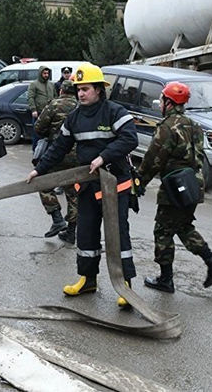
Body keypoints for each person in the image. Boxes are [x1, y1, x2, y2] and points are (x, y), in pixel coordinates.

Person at [26, 63, 138, 308]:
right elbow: (59, 147)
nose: (81, 93)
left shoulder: (114, 112)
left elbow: (130, 138)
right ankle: (88, 280)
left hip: (114, 187)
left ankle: (125, 285)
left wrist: (103, 157)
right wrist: (39, 170)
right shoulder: (75, 117)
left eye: (85, 89)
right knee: (86, 233)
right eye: (78, 89)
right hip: (87, 187)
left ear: (99, 89)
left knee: (118, 235)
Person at [136, 82, 212, 293]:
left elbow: (154, 159)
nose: (160, 103)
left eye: (162, 100)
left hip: (175, 187)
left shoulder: (168, 127)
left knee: (163, 230)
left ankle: (166, 279)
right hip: (194, 183)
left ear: (169, 103)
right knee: (183, 226)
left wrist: (140, 182)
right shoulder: (194, 125)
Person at [33, 79, 79, 243]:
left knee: (43, 183)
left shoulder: (54, 105)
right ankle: (71, 232)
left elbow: (38, 128)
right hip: (78, 155)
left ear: (61, 91)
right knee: (73, 192)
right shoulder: (81, 106)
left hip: (57, 153)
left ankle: (57, 218)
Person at [27, 66, 56, 150]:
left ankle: (46, 152)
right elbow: (30, 97)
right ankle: (35, 151)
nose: (46, 75)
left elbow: (55, 96)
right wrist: (33, 109)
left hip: (50, 113)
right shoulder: (34, 84)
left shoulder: (51, 84)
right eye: (44, 73)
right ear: (40, 73)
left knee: (49, 134)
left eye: (47, 73)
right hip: (39, 113)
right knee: (37, 134)